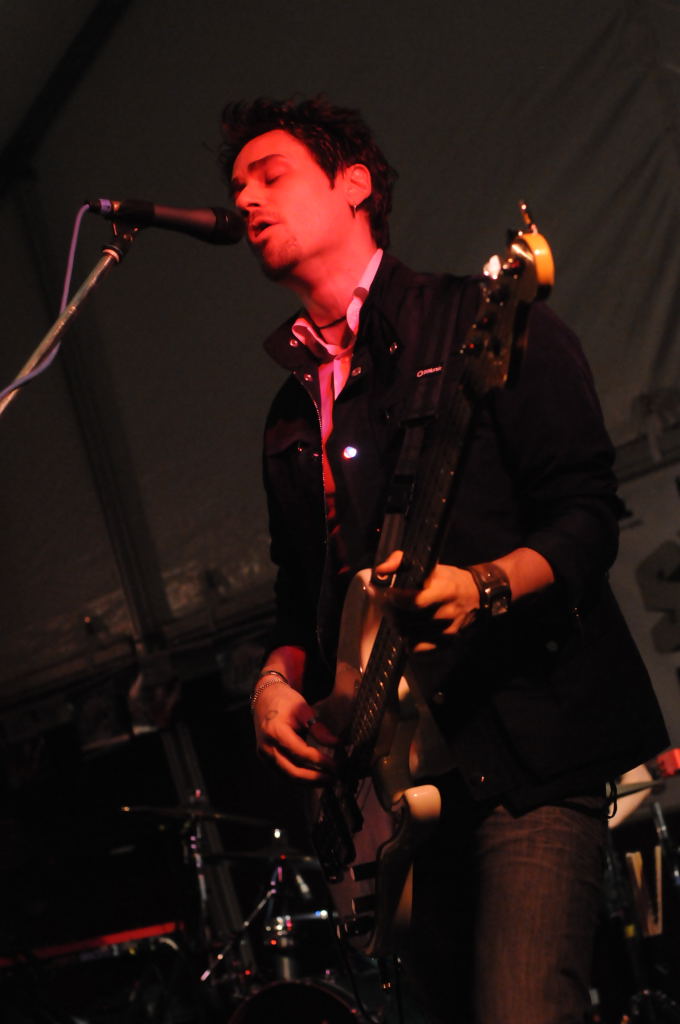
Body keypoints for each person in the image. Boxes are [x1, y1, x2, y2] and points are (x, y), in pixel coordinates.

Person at [219, 97, 668, 1023]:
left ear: (354, 185)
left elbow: (587, 516)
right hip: (393, 801)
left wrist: (485, 586)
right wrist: (273, 683)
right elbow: (300, 599)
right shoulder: (290, 411)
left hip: (527, 751)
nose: (246, 200)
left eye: (270, 175)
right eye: (237, 187)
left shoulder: (476, 319)